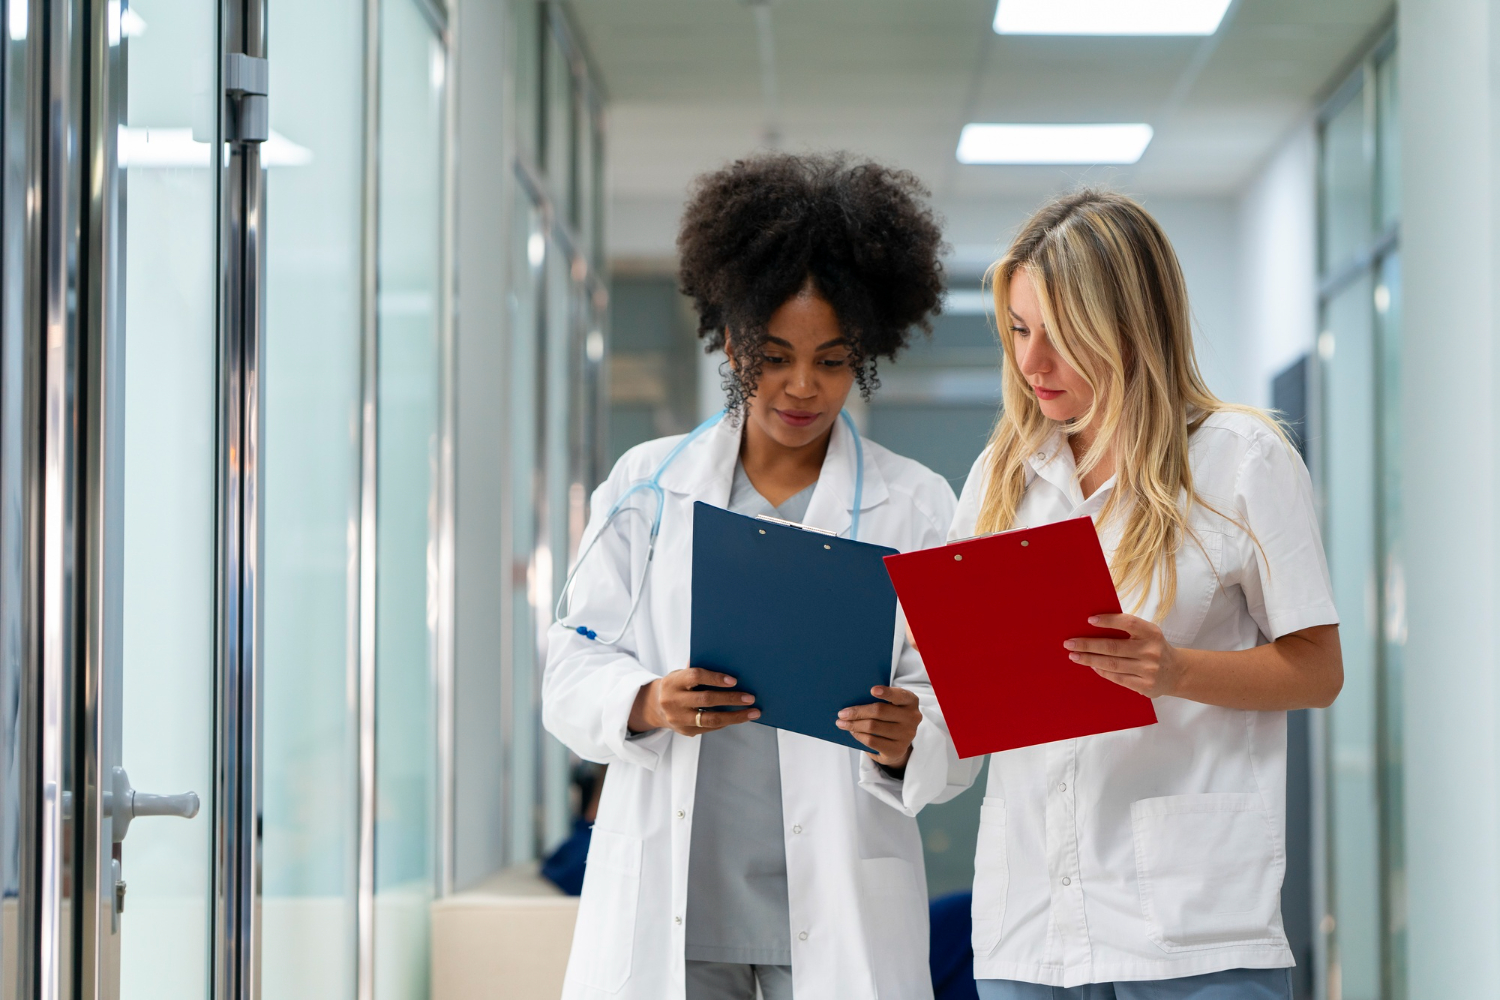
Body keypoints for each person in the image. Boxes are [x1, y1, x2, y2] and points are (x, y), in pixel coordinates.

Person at [543, 152, 972, 1000]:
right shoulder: (646, 487)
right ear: (732, 341)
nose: (803, 387)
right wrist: (647, 700)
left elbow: (959, 714)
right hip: (677, 908)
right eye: (774, 356)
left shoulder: (919, 504)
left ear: (867, 357)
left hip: (836, 910)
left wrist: (911, 736)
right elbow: (569, 663)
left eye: (833, 359)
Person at [951, 191, 1343, 999]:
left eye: (1060, 335)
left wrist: (1176, 672)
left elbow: (1318, 670)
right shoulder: (1001, 477)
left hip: (1193, 929)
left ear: (1131, 327)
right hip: (1030, 924)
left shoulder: (1241, 460)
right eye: (1020, 331)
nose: (1032, 364)